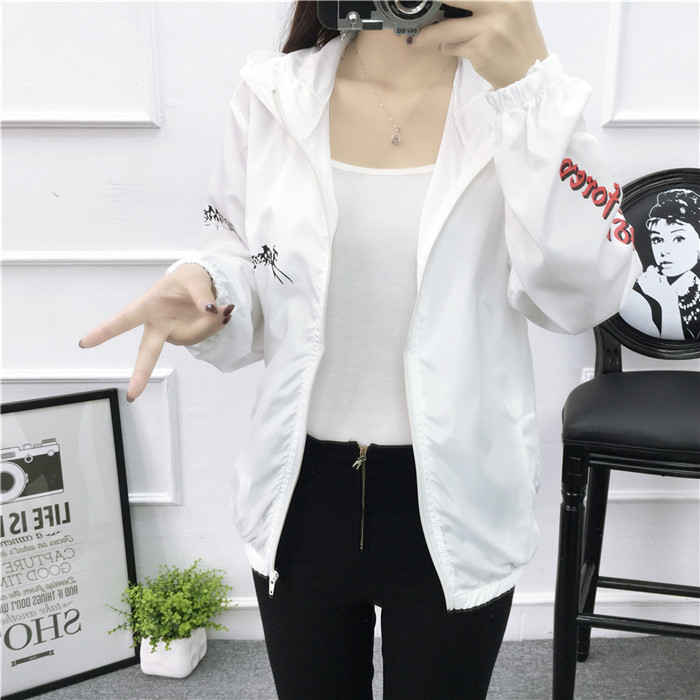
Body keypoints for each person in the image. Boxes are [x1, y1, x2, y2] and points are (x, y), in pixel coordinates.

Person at [80, 2, 640, 697]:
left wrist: (532, 89)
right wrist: (208, 288)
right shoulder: (274, 96)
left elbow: (588, 292)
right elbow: (247, 259)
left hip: (459, 497)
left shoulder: (519, 108)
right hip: (299, 493)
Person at [620, 188, 700, 340]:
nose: (664, 251)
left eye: (679, 239)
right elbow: (671, 346)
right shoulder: (635, 297)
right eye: (657, 240)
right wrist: (667, 302)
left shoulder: (695, 286)